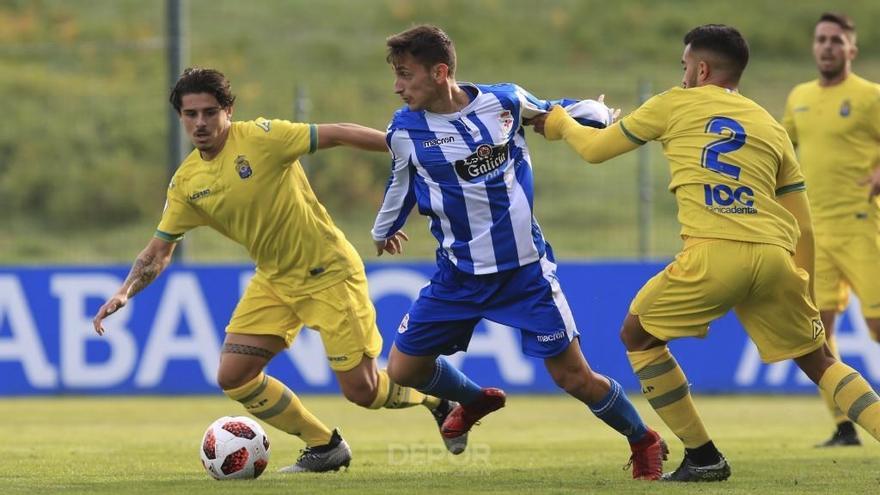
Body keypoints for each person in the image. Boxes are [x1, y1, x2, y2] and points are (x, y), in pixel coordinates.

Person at [531, 24, 880, 482]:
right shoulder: (769, 124)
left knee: (638, 335)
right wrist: (806, 287)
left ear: (700, 68)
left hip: (714, 253)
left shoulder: (673, 103)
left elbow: (595, 149)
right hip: (775, 254)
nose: (682, 77)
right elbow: (805, 223)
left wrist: (558, 123)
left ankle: (703, 456)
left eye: (683, 67)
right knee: (821, 361)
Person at [92, 67, 460, 473]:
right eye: (191, 114)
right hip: (275, 280)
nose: (200, 123)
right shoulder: (186, 184)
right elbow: (159, 250)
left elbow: (336, 132)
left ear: (228, 110)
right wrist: (125, 290)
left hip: (329, 273)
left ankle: (438, 399)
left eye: (210, 112)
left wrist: (408, 147)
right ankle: (325, 445)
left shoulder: (262, 138)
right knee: (234, 375)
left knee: (364, 391)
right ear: (180, 117)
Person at [371, 25, 668, 481]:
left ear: (440, 72)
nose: (397, 86)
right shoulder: (405, 129)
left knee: (574, 378)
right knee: (404, 367)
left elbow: (555, 112)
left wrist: (598, 113)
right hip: (459, 276)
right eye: (395, 75)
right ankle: (473, 399)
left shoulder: (503, 102)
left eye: (406, 74)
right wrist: (384, 227)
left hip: (524, 273)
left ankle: (643, 439)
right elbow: (401, 181)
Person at [782, 12, 880, 448]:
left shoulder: (870, 97)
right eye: (821, 39)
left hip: (863, 226)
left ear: (851, 50)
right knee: (817, 333)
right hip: (815, 235)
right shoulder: (799, 97)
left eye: (836, 40)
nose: (827, 47)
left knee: (877, 324)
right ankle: (844, 424)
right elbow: (781, 149)